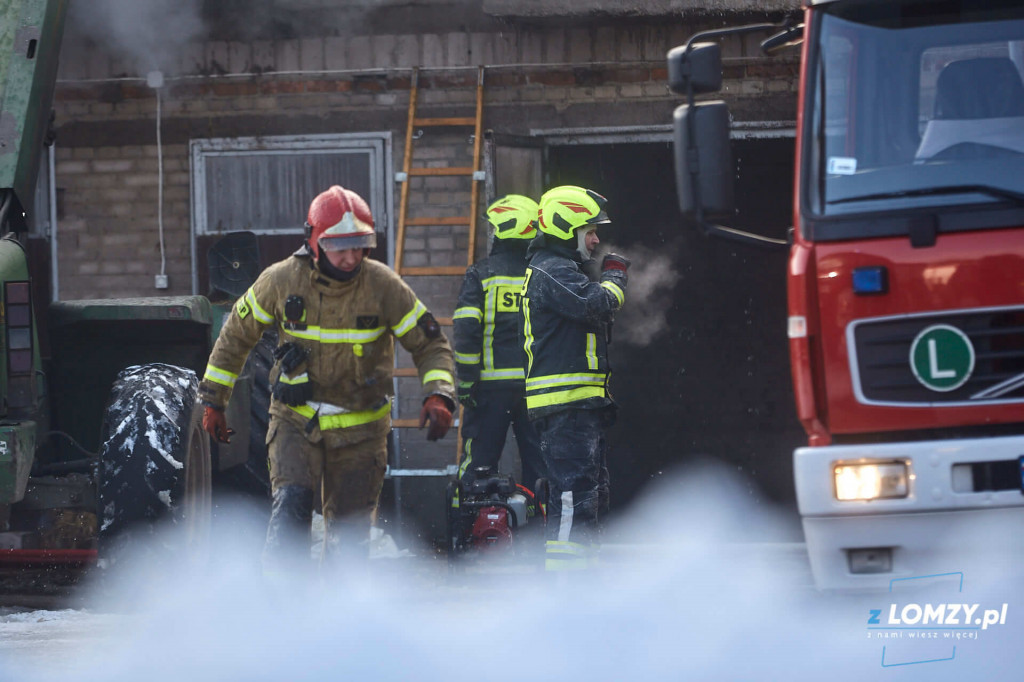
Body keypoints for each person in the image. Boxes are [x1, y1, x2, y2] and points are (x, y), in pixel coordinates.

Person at [198, 184, 456, 577]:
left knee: (350, 541)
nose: (352, 257)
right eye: (341, 247)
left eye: (360, 246)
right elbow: (235, 336)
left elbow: (431, 344)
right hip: (294, 423)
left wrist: (439, 394)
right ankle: (282, 607)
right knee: (292, 507)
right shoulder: (281, 281)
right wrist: (213, 400)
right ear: (314, 243)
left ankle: (338, 622)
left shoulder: (383, 287)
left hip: (362, 432)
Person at [520, 184, 629, 571]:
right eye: (590, 231)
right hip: (565, 408)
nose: (596, 239)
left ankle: (583, 582)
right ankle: (566, 589)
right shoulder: (552, 271)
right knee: (572, 499)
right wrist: (615, 276)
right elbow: (596, 304)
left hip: (577, 408)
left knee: (588, 498)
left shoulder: (560, 270)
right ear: (566, 228)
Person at [453, 194, 546, 491]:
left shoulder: (482, 274)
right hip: (536, 389)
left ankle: (469, 530)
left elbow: (467, 331)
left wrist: (467, 382)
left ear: (506, 228)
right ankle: (540, 525)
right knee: (541, 467)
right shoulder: (544, 275)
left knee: (478, 465)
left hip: (490, 390)